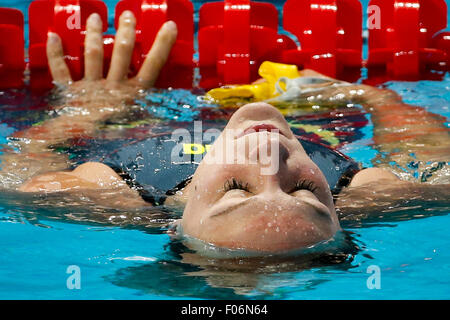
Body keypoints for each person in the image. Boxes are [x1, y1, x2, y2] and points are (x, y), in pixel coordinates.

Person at [4, 12, 448, 256]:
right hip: (319, 118)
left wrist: (85, 111)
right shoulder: (366, 194)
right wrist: (371, 97)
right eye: (307, 191)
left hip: (136, 118)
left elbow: (17, 171)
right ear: (338, 215)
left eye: (237, 189)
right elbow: (437, 165)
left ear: (176, 227)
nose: (269, 150)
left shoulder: (107, 195)